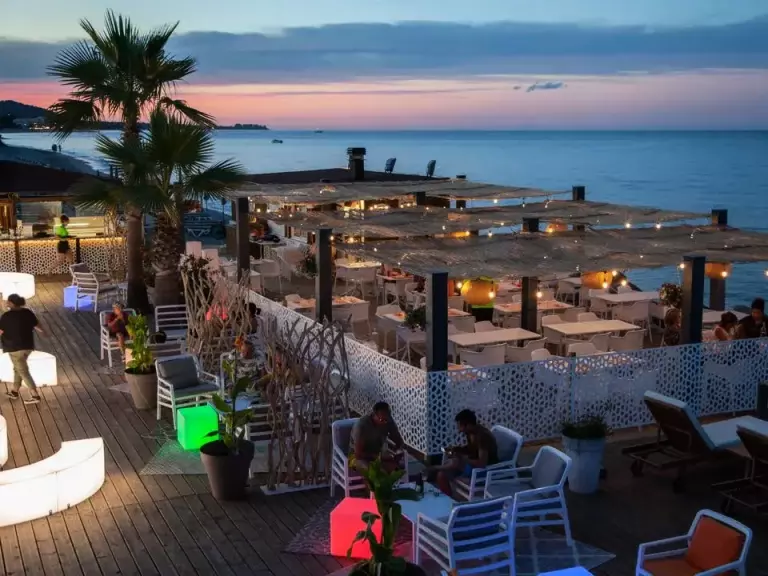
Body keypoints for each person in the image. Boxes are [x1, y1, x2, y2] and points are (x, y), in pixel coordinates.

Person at [429, 409, 499, 496]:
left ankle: (436, 468)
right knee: (441, 475)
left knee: (455, 462)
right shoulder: (470, 433)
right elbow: (471, 449)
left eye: (460, 426)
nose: (459, 430)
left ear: (468, 425)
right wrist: (457, 449)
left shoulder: (482, 437)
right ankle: (449, 498)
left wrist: (463, 458)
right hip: (472, 466)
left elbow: (482, 463)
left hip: (484, 471)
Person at [0, 294, 44, 404]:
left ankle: (35, 395)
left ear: (12, 303)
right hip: (27, 346)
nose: (6, 302)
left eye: (8, 301)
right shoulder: (27, 312)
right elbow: (37, 325)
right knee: (18, 368)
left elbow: (1, 331)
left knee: (23, 371)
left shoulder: (6, 316)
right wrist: (44, 332)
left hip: (14, 347)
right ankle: (14, 391)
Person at [351, 401, 405, 472]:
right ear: (373, 415)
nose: (384, 422)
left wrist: (398, 450)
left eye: (386, 419)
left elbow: (397, 439)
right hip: (356, 458)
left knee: (396, 469)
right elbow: (358, 454)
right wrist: (379, 457)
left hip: (377, 455)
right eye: (381, 420)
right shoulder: (362, 426)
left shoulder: (388, 421)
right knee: (374, 471)